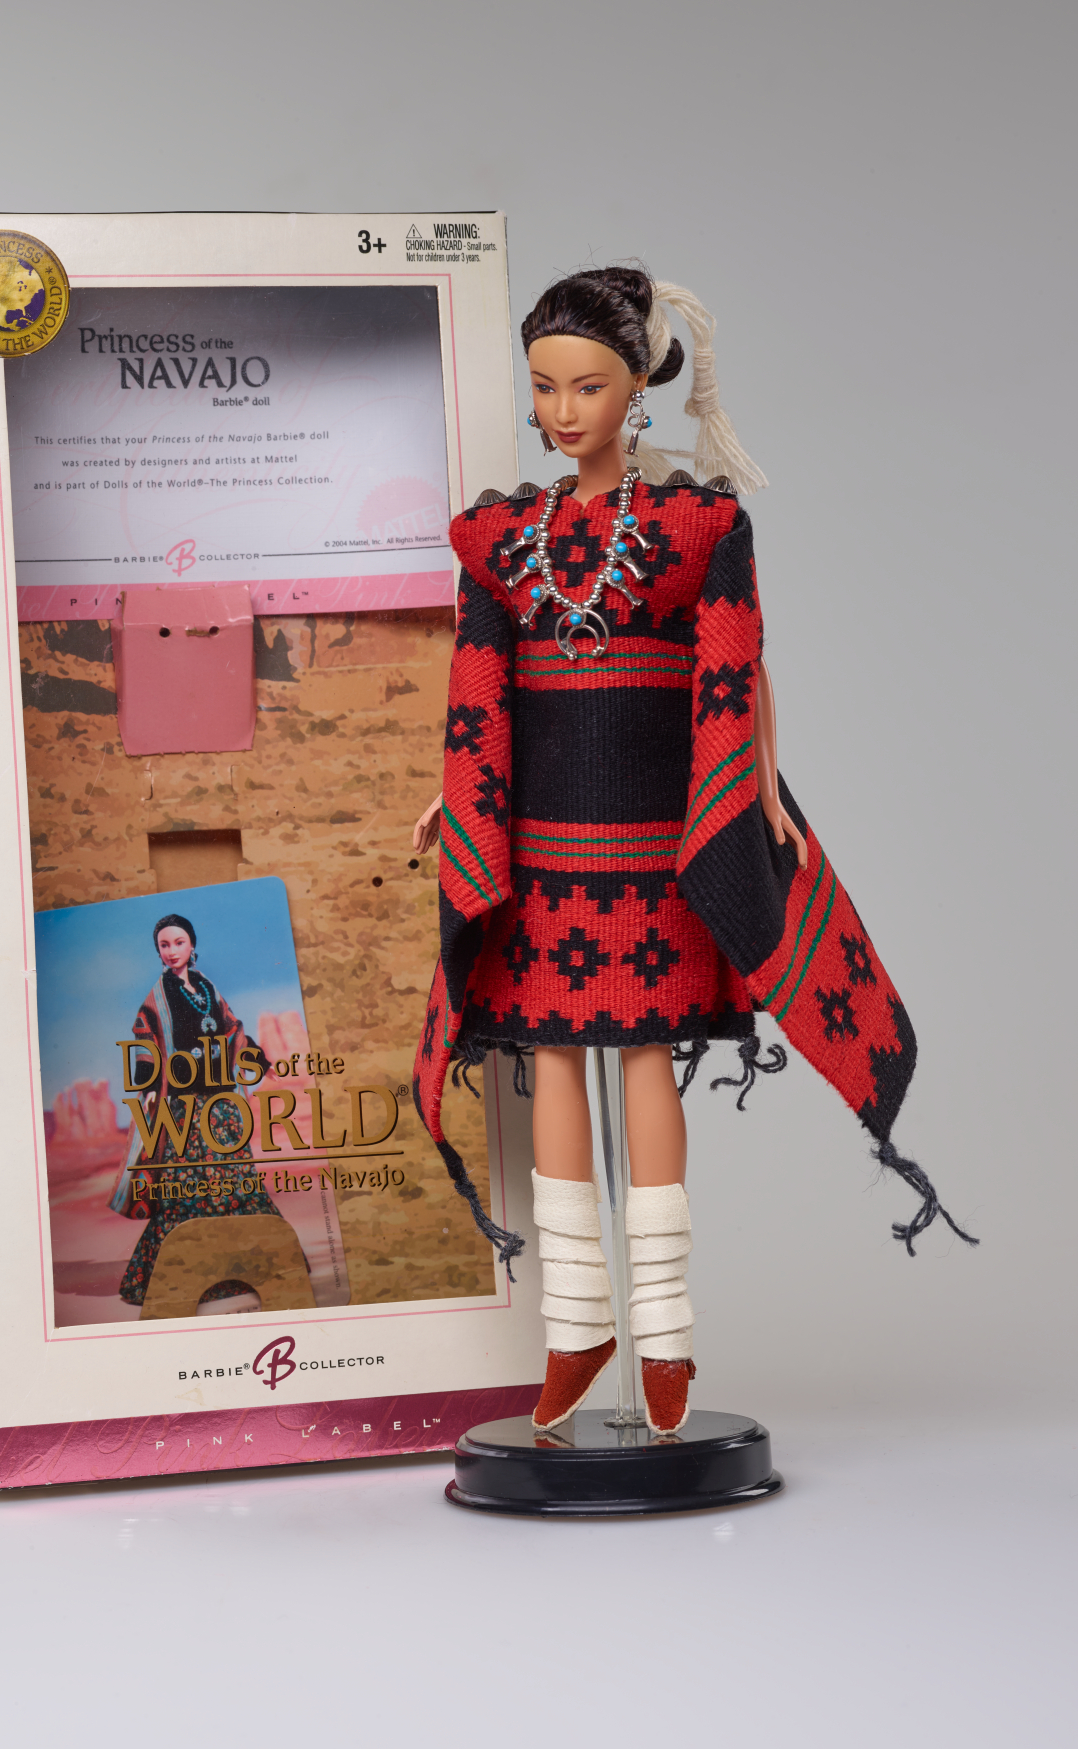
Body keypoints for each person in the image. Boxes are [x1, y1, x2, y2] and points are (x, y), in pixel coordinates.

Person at [411, 266, 974, 1436]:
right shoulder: (499, 537)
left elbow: (735, 667)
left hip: (653, 851)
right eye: (543, 388)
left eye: (587, 387)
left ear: (639, 388)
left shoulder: (695, 527)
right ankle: (577, 1324)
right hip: (542, 854)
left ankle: (663, 1330)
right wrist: (457, 795)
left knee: (639, 1062)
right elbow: (477, 687)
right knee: (554, 1062)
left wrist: (750, 777)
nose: (562, 411)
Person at [115, 913, 276, 1307]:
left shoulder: (206, 987)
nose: (172, 951)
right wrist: (148, 1089)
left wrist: (260, 1060)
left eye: (178, 943)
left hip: (222, 1104)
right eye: (164, 945)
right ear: (158, 951)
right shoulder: (156, 999)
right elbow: (145, 1043)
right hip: (184, 1108)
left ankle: (249, 1266)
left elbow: (231, 1029)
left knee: (237, 1180)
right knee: (187, 1189)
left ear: (192, 945)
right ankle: (176, 1274)